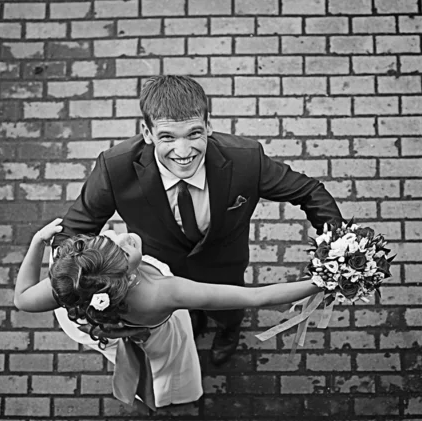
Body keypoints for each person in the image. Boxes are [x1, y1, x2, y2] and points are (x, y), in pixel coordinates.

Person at [52, 75, 343, 365]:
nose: (183, 152)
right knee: (181, 316)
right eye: (167, 137)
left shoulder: (246, 160)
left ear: (209, 125)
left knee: (229, 312)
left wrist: (339, 252)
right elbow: (74, 229)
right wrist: (86, 293)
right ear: (148, 132)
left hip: (225, 266)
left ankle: (228, 332)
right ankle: (192, 323)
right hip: (158, 275)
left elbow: (310, 192)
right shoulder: (115, 168)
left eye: (194, 134)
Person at [15, 219, 324, 410]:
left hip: (96, 327)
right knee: (168, 366)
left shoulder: (74, 281)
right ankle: (172, 398)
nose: (123, 239)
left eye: (109, 242)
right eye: (122, 252)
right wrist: (320, 282)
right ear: (123, 278)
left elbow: (23, 299)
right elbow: (257, 296)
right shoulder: (164, 293)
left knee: (136, 360)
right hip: (154, 335)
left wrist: (38, 242)